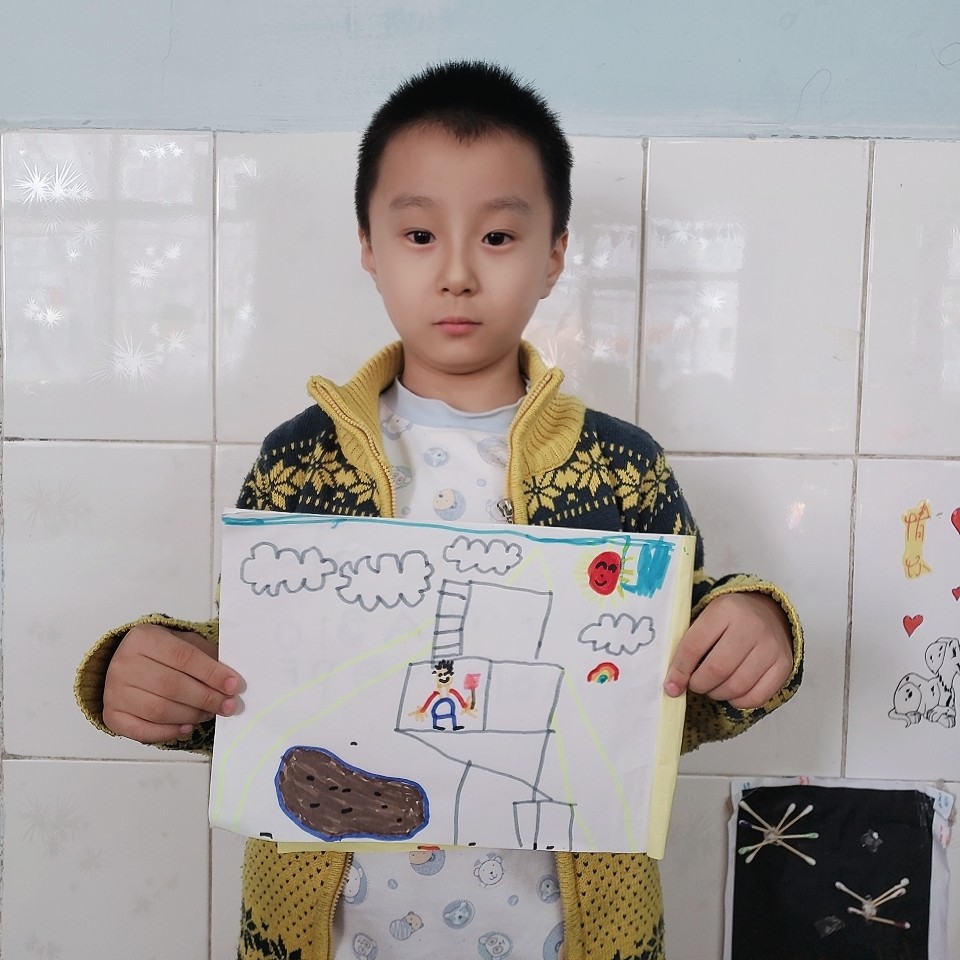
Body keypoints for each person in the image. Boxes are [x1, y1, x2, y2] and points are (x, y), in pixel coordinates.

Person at [75, 60, 803, 960]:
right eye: (419, 234)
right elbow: (257, 687)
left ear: (555, 254)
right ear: (369, 247)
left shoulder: (622, 467)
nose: (457, 273)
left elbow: (675, 691)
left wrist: (754, 627)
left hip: (566, 936)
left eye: (497, 236)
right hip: (332, 936)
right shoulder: (298, 460)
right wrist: (156, 676)